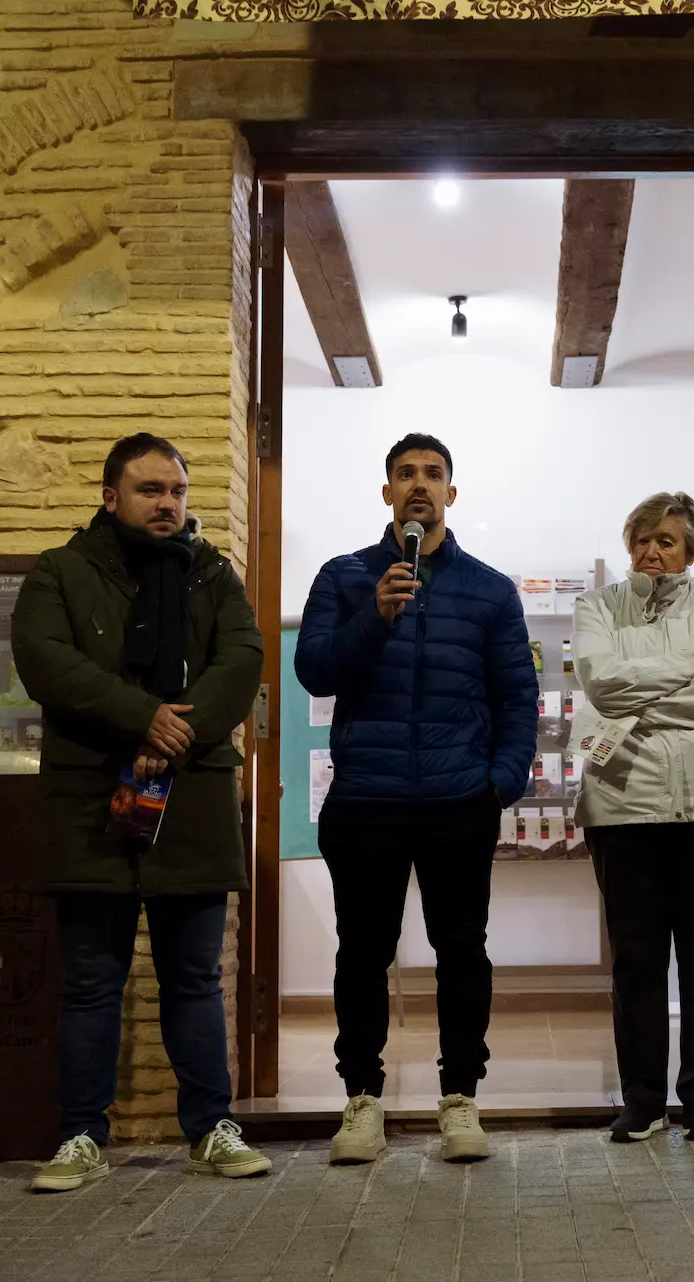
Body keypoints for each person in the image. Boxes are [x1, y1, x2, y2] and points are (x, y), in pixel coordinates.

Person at [11, 433, 269, 1192]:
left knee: (195, 976)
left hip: (189, 796)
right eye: (150, 490)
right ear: (110, 496)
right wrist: (141, 717)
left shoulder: (211, 572)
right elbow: (46, 661)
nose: (167, 505)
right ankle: (80, 1135)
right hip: (92, 795)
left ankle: (211, 1128)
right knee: (92, 979)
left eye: (177, 491)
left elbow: (242, 659)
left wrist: (172, 735)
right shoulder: (60, 571)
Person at [295, 433, 538, 1165]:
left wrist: (502, 780)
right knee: (362, 954)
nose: (420, 485)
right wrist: (374, 615)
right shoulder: (344, 576)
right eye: (406, 474)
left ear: (451, 494)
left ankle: (460, 1097)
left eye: (433, 474)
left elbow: (516, 696)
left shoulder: (490, 590)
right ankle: (361, 1100)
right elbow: (313, 670)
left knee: (461, 950)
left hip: (459, 800)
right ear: (387, 493)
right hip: (366, 800)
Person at [572, 492, 694, 1143]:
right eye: (642, 539)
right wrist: (685, 669)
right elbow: (600, 684)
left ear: (690, 549)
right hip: (622, 807)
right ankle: (643, 1101)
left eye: (666, 541)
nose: (652, 551)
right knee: (637, 965)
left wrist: (639, 705)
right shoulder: (597, 605)